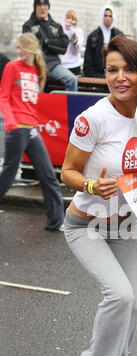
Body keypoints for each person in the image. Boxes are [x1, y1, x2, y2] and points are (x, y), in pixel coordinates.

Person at [61, 35, 137, 356]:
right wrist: (89, 185)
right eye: (112, 70)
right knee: (120, 295)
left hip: (126, 225)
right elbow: (67, 170)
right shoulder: (93, 118)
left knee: (134, 307)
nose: (120, 77)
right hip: (86, 225)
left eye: (129, 69)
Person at [0, 33, 64, 231]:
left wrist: (33, 125)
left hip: (31, 130)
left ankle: (56, 221)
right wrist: (11, 123)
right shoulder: (11, 67)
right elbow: (3, 98)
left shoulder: (37, 70)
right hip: (16, 129)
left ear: (31, 49)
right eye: (17, 47)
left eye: (22, 47)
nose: (19, 51)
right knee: (9, 175)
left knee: (47, 174)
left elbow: (30, 103)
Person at [22, 0, 78, 92]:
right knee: (38, 88)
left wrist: (47, 42)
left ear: (48, 7)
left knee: (72, 79)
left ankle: (71, 105)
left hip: (54, 64)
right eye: (39, 5)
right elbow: (30, 46)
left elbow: (64, 46)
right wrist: (53, 44)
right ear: (35, 7)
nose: (42, 7)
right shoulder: (28, 26)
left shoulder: (56, 26)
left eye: (45, 4)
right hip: (36, 64)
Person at [83, 5, 123, 78]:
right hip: (96, 76)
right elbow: (88, 62)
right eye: (105, 15)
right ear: (101, 17)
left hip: (116, 76)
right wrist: (95, 76)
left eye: (110, 16)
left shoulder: (119, 36)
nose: (108, 18)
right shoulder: (93, 36)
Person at [60, 9, 84, 76]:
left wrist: (72, 33)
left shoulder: (79, 31)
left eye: (73, 19)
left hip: (74, 65)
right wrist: (66, 30)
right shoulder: (60, 31)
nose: (71, 21)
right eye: (68, 18)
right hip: (62, 66)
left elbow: (76, 51)